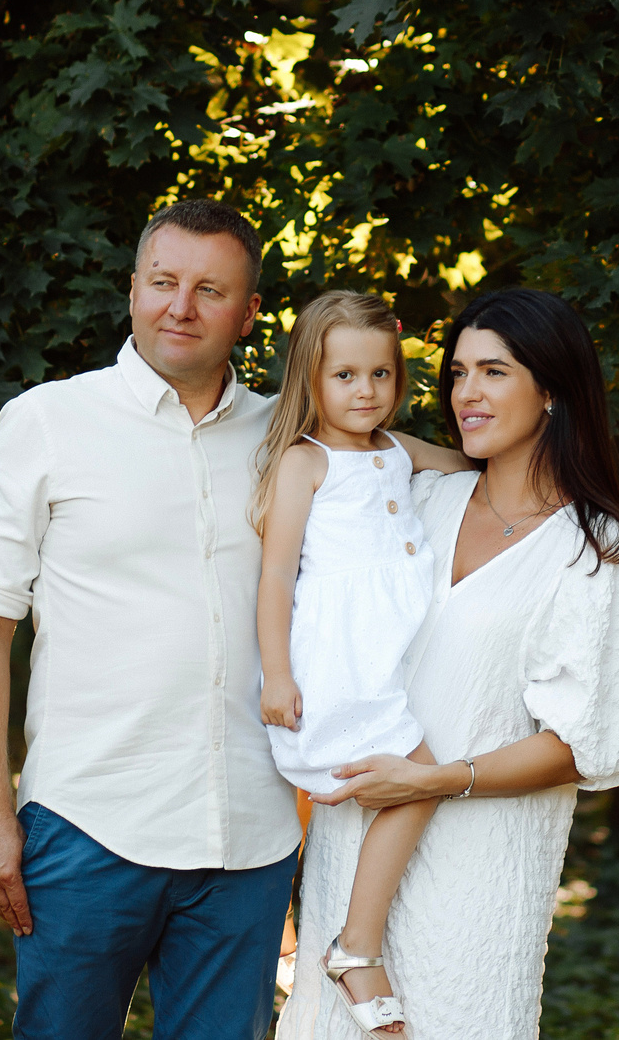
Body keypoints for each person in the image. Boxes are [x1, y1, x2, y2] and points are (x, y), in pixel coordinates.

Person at [0, 199, 299, 1040]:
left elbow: (404, 467)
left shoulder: (289, 436)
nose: (181, 306)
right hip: (91, 824)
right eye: (163, 281)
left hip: (248, 834)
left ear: (248, 315)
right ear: (132, 288)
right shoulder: (48, 420)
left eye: (210, 289)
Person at [275, 288, 619, 1040]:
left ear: (551, 388)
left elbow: (587, 744)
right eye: (457, 373)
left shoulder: (597, 554)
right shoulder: (417, 498)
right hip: (347, 854)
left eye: (494, 371)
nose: (467, 393)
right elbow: (320, 641)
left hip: (476, 876)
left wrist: (435, 777)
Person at [252, 292, 475, 1035]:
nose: (365, 391)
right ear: (310, 378)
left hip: (386, 658)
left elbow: (474, 467)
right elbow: (277, 575)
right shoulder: (304, 462)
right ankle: (355, 945)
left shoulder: (397, 449)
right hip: (334, 663)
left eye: (380, 373)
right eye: (344, 374)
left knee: (410, 781)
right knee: (415, 781)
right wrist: (277, 673)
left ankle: (342, 941)